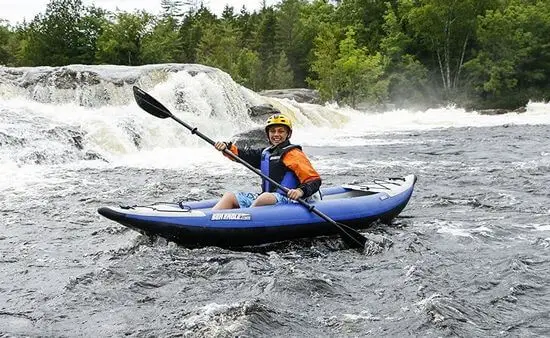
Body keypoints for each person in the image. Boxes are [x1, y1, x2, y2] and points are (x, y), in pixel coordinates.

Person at [212, 111, 322, 210]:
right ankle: (211, 224)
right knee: (230, 197)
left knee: (265, 197)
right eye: (272, 131)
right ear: (268, 134)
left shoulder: (293, 154)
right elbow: (243, 155)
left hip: (291, 200)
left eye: (281, 131)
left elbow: (314, 180)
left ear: (288, 134)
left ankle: (247, 223)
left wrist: (300, 191)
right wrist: (226, 148)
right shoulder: (266, 153)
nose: (276, 135)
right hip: (269, 198)